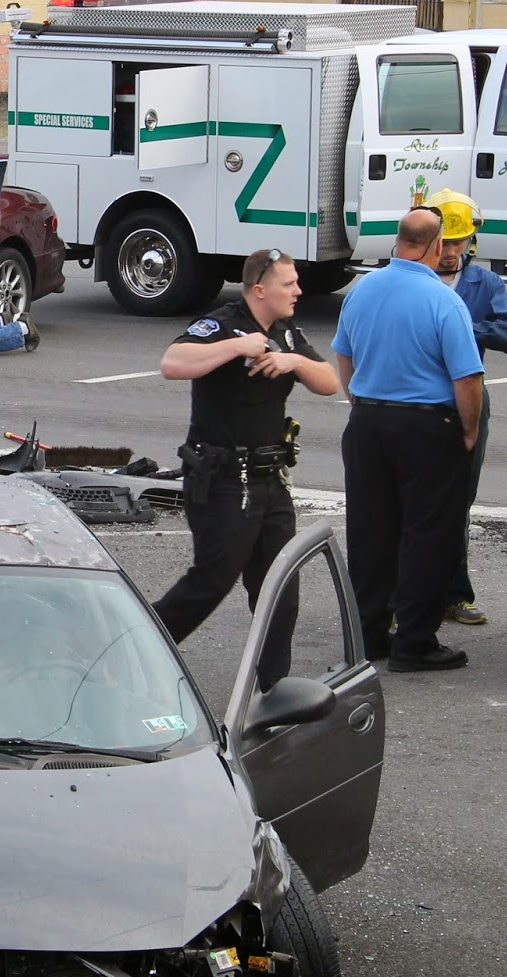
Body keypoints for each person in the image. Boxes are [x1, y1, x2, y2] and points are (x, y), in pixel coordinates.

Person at [151, 249, 338, 690]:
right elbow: (172, 364)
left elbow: (331, 383)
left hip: (270, 480)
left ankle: (274, 691)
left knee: (280, 589)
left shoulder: (285, 332)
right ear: (259, 289)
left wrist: (293, 361)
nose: (298, 290)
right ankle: (136, 651)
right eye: (288, 284)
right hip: (223, 481)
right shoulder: (222, 324)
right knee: (210, 582)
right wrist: (238, 346)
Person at [332, 208, 484, 672]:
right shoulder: (443, 300)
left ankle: (369, 633)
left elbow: (344, 357)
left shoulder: (362, 291)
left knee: (370, 533)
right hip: (426, 428)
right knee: (428, 535)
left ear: (398, 241)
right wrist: (470, 430)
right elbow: (467, 378)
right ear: (437, 246)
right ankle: (415, 642)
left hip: (368, 422)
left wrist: (361, 403)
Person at [424, 188, 507, 627]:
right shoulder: (412, 279)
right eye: (444, 242)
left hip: (469, 397)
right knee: (413, 501)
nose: (450, 252)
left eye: (458, 242)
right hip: (423, 400)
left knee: (459, 499)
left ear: (471, 241)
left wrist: (462, 326)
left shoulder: (486, 284)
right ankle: (406, 597)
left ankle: (454, 594)